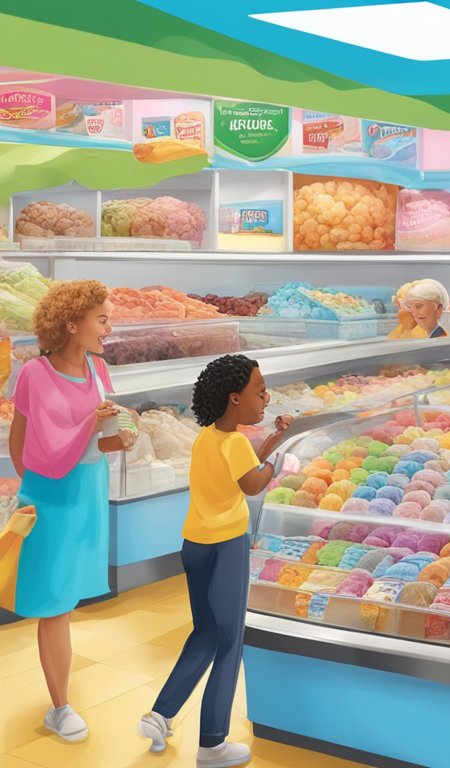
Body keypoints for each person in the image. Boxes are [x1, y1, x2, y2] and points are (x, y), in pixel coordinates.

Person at [139, 355, 292, 767]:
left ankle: (160, 713)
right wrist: (280, 462)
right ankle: (211, 744)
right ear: (233, 397)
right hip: (227, 547)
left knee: (204, 634)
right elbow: (253, 483)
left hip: (194, 545)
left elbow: (241, 464)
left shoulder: (209, 437)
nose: (266, 397)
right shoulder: (236, 444)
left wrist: (272, 442)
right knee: (229, 642)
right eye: (259, 391)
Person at [9, 279, 136, 743]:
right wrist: (37, 490)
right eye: (101, 318)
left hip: (87, 493)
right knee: (56, 603)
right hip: (50, 498)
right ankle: (59, 706)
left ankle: (60, 699)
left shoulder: (100, 370)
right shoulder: (34, 374)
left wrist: (117, 439)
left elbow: (92, 444)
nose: (109, 326)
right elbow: (24, 443)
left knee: (71, 595)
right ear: (71, 323)